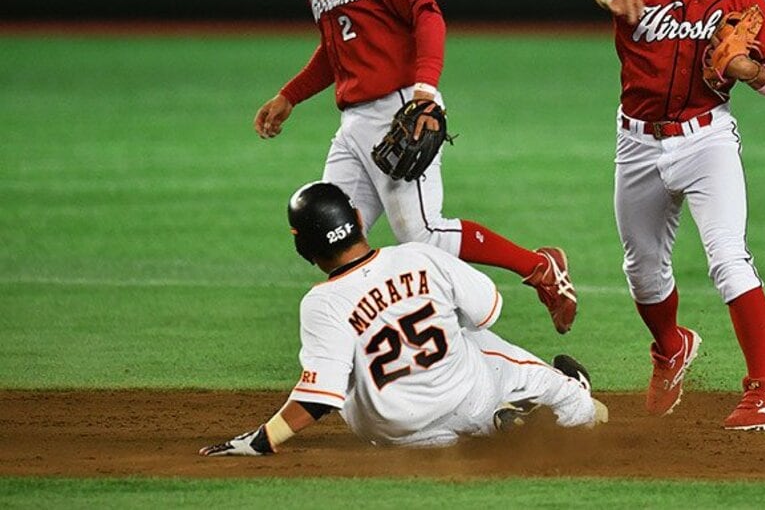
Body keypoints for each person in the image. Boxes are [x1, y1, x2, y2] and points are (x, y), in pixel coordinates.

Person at [253, 0, 576, 334]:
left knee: (421, 231)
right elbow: (334, 48)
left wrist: (425, 89)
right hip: (354, 123)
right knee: (334, 235)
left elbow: (428, 16)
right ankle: (368, 344)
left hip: (401, 105)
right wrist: (290, 95)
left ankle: (539, 268)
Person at [590, 0, 765, 431]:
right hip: (636, 141)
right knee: (642, 271)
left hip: (707, 139)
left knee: (728, 257)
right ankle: (670, 347)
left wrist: (750, 70)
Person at [200, 181, 606, 455]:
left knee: (348, 373)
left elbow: (317, 398)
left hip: (397, 434)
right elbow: (489, 311)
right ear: (359, 221)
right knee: (480, 342)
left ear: (304, 249)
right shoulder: (418, 255)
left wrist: (261, 440)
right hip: (468, 397)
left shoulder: (319, 304)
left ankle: (502, 418)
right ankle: (570, 397)